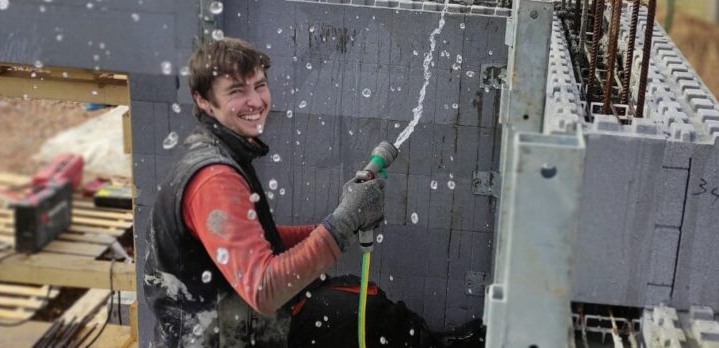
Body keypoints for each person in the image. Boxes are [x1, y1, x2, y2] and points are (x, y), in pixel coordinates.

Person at [141, 38, 480, 347]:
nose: (255, 101)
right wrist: (342, 223)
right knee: (360, 315)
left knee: (359, 302)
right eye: (236, 91)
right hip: (226, 337)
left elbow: (250, 240)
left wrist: (338, 223)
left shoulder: (212, 150)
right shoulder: (214, 179)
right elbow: (263, 290)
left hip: (225, 326)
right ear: (203, 100)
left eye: (260, 85)